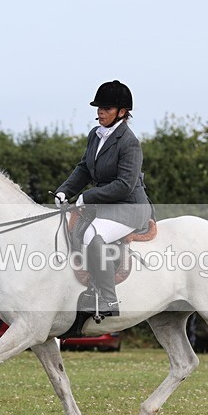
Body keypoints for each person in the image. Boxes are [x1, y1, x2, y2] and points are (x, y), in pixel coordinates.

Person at [54, 80, 152, 318]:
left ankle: (108, 299)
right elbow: (84, 169)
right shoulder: (95, 135)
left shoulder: (129, 143)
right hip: (107, 206)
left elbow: (124, 185)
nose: (100, 112)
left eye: (106, 108)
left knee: (92, 235)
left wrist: (86, 196)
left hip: (130, 207)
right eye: (99, 108)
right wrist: (65, 191)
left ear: (122, 112)